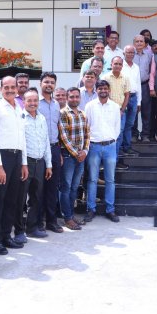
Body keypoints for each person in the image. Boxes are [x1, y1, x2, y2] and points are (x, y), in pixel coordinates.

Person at [0, 76, 29, 250]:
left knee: (12, 200)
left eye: (13, 86)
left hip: (17, 157)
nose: (11, 90)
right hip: (2, 158)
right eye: (7, 87)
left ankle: (6, 236)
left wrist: (24, 163)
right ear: (1, 88)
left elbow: (22, 138)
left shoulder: (19, 107)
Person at [83, 80, 121, 223]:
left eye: (105, 88)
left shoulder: (115, 107)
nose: (103, 91)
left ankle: (110, 210)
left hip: (110, 146)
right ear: (96, 90)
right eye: (100, 88)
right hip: (94, 146)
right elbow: (87, 127)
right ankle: (90, 209)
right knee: (92, 179)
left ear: (108, 90)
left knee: (110, 180)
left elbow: (117, 127)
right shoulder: (90, 106)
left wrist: (112, 140)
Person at [20, 89, 52, 239]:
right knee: (20, 198)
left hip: (40, 163)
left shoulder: (42, 118)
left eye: (35, 101)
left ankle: (31, 228)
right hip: (25, 164)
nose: (32, 103)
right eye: (29, 101)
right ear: (24, 102)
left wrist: (49, 164)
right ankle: (18, 230)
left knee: (36, 197)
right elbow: (21, 144)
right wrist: (24, 164)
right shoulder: (20, 118)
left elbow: (46, 141)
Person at [58, 87, 90, 230]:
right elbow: (63, 136)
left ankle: (71, 215)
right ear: (67, 98)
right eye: (71, 97)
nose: (75, 99)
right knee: (66, 188)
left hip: (81, 157)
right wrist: (76, 153)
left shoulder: (83, 114)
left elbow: (87, 134)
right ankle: (67, 217)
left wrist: (85, 151)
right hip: (69, 157)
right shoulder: (63, 113)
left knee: (74, 188)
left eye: (77, 97)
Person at [38, 72, 64, 234]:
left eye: (52, 82)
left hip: (54, 148)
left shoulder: (56, 105)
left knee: (53, 186)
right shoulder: (35, 103)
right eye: (46, 82)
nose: (49, 84)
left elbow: (58, 129)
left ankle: (51, 221)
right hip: (39, 149)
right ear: (41, 84)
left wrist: (59, 151)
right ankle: (38, 221)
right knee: (38, 187)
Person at [102, 56, 131, 158]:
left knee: (119, 134)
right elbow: (103, 94)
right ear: (111, 65)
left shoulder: (126, 78)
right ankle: (107, 158)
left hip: (121, 111)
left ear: (122, 66)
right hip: (108, 111)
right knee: (108, 134)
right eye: (115, 63)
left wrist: (122, 110)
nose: (117, 66)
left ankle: (115, 158)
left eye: (120, 64)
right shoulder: (105, 78)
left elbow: (127, 95)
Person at [132, 35, 154, 142]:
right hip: (133, 87)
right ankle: (134, 134)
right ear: (134, 43)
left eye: (141, 41)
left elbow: (151, 70)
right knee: (134, 110)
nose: (139, 43)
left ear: (145, 43)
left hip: (145, 85)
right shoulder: (130, 54)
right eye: (137, 41)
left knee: (146, 111)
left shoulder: (149, 55)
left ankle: (145, 134)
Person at [121, 44, 142, 154]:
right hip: (123, 97)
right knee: (121, 125)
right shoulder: (120, 65)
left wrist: (139, 102)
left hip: (133, 98)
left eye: (132, 52)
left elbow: (138, 85)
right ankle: (120, 148)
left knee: (129, 124)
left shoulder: (136, 67)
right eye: (128, 52)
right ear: (124, 53)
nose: (130, 54)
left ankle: (127, 147)